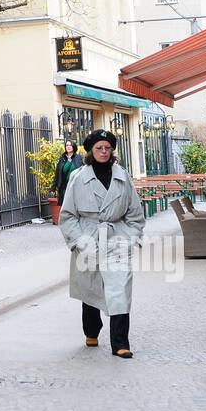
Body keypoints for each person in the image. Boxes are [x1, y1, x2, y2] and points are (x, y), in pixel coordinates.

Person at [58, 129, 145, 359]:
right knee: (91, 288)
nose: (104, 152)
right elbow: (67, 216)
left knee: (120, 290)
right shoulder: (78, 177)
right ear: (90, 151)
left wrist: (130, 238)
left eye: (107, 147)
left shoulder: (122, 176)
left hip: (117, 237)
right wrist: (79, 241)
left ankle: (120, 343)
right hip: (88, 236)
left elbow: (135, 214)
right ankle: (91, 331)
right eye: (99, 148)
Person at [49, 137, 82, 215]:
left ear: (74, 147)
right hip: (64, 186)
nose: (68, 147)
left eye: (70, 145)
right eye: (67, 145)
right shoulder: (62, 159)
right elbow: (57, 174)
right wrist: (53, 188)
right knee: (65, 204)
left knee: (76, 204)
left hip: (76, 186)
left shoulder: (79, 158)